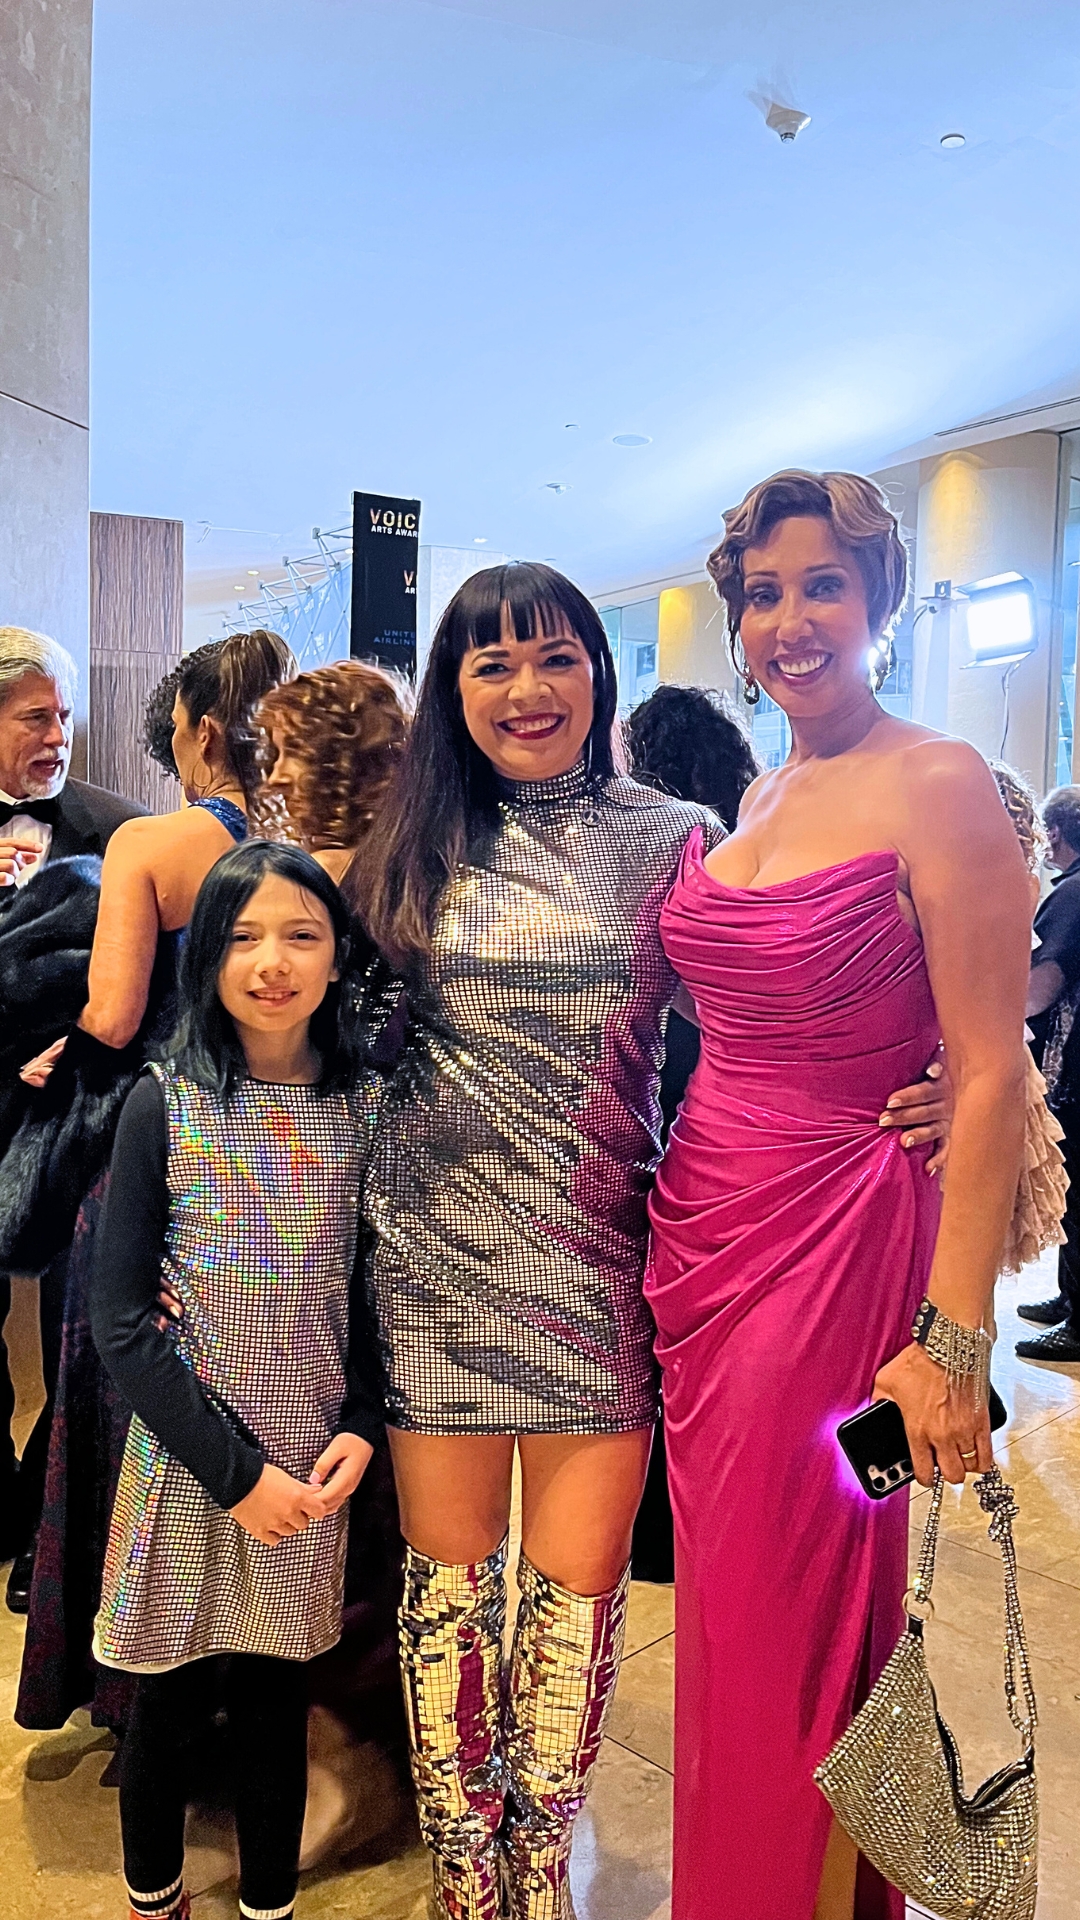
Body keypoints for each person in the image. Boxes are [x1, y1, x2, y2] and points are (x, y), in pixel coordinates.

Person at [345, 560, 950, 1920]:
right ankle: (468, 1888)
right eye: (493, 664)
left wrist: (949, 1071)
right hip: (430, 1271)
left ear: (597, 673)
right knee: (447, 1614)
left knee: (574, 1616)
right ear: (452, 689)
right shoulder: (410, 837)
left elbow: (776, 994)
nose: (528, 689)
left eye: (555, 657)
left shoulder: (678, 836)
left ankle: (540, 1880)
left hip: (600, 1267)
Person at [646, 470, 1030, 1920]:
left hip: (844, 1253)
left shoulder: (940, 780)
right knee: (740, 1620)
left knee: (806, 1611)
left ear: (880, 603)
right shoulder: (766, 790)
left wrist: (951, 1343)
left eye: (824, 586)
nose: (791, 620)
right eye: (763, 594)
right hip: (708, 1250)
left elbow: (988, 1074)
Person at [7, 628, 294, 1730]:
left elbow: (116, 1016)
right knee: (271, 1395)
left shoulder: (155, 843)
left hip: (160, 1158)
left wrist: (56, 1045)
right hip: (290, 1166)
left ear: (204, 730)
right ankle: (266, 1669)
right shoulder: (323, 840)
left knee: (134, 1388)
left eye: (174, 727)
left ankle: (148, 1678)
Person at [90, 840, 382, 1920]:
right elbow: (123, 1324)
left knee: (274, 1702)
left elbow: (373, 1294)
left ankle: (268, 1904)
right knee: (164, 1706)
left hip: (307, 1465)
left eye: (302, 935)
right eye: (243, 937)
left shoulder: (364, 1109)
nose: (273, 962)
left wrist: (362, 1420)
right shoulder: (164, 1103)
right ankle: (153, 1899)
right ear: (206, 955)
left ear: (338, 955)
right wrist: (235, 1475)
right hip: (186, 1463)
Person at [0, 626, 147, 1607]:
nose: (58, 735)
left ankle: (43, 1532)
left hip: (72, 1122)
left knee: (70, 1332)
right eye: (34, 718)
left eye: (63, 716)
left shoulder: (120, 830)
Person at [625, 684, 761, 1581]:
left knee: (653, 1320)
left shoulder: (650, 847)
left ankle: (659, 1527)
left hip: (667, 1076)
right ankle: (695, 1516)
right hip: (725, 1090)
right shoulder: (748, 842)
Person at [1016, 783, 1080, 1361]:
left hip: (1075, 1065)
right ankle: (1069, 1297)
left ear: (1053, 833)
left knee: (1078, 1191)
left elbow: (1043, 985)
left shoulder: (1071, 894)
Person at [253, 659, 411, 885]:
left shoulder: (313, 877)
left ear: (349, 761)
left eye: (296, 750)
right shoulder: (414, 868)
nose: (275, 778)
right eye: (276, 754)